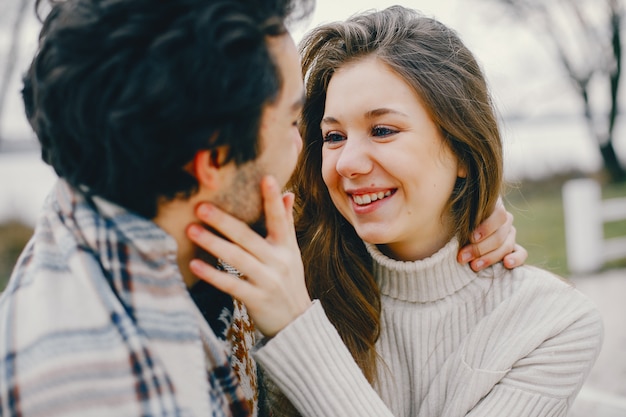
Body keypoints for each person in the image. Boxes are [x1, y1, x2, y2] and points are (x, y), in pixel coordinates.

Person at [0, 1, 524, 416]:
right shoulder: (102, 384)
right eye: (298, 125)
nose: (313, 154)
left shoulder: (151, 196)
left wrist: (457, 199)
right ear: (214, 160)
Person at [186, 6, 604, 417]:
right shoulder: (278, 272)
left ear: (462, 146)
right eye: (333, 135)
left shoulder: (555, 324)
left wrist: (296, 326)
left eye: (382, 130)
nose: (347, 162)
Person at [0, 0, 314, 415]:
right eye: (293, 123)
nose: (301, 144)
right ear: (214, 162)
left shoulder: (119, 182)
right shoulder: (106, 392)